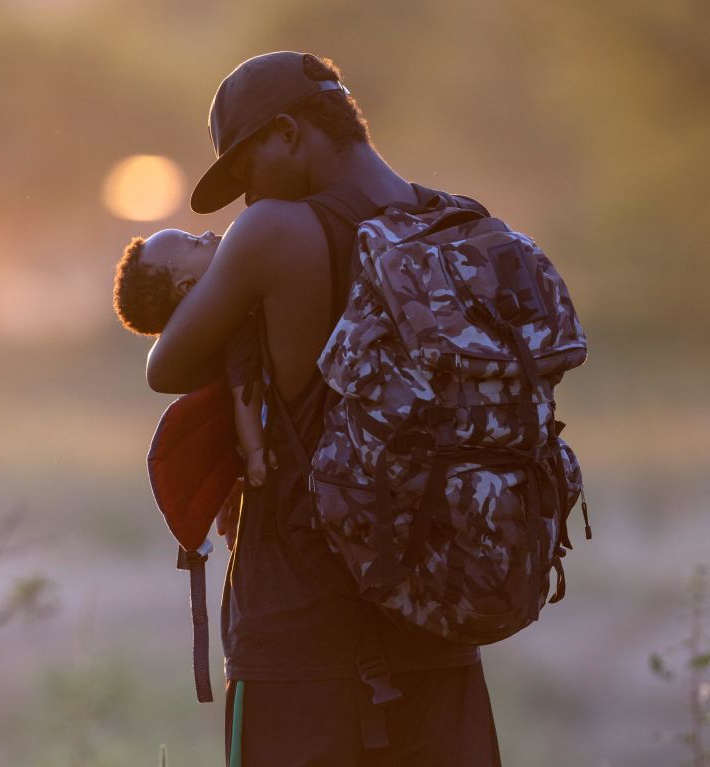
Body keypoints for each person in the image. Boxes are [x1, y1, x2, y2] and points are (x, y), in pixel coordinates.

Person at [146, 52, 502, 766]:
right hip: (437, 630)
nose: (246, 197)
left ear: (287, 132)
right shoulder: (458, 227)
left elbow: (167, 366)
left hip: (301, 644)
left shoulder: (275, 232)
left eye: (245, 168)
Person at [113, 228, 270, 496]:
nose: (208, 233)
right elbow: (245, 395)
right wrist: (256, 451)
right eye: (195, 243)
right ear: (188, 287)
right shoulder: (237, 326)